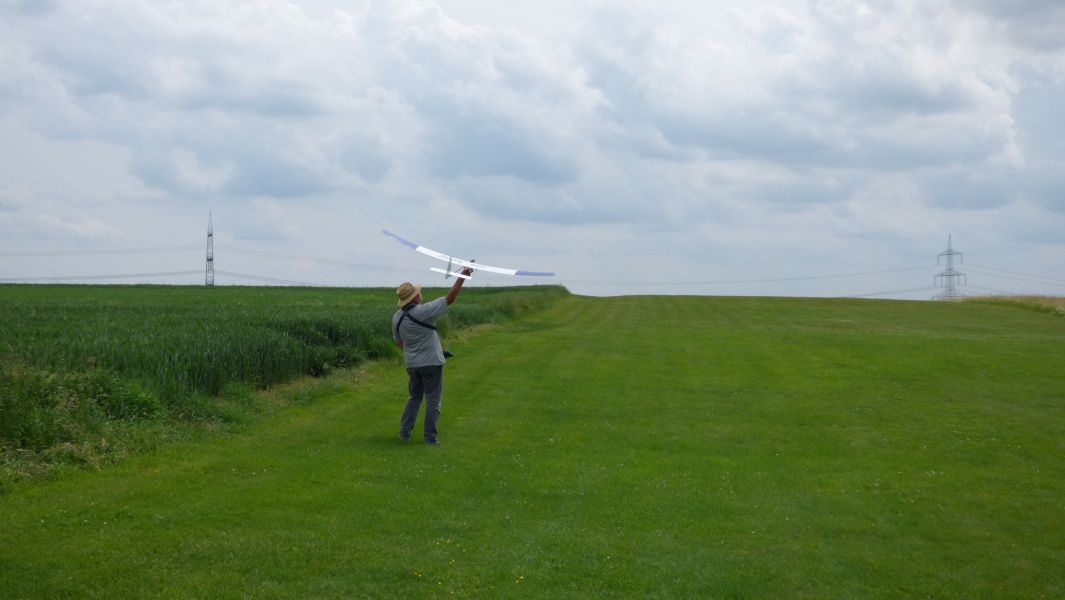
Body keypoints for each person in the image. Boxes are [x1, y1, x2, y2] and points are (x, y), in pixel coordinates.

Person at [391, 266, 473, 445]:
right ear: (416, 297)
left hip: (412, 365)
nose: (420, 295)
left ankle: (404, 433)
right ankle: (430, 437)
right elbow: (449, 299)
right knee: (433, 399)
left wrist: (415, 350)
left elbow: (398, 343)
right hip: (431, 363)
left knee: (414, 398)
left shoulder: (397, 317)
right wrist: (462, 276)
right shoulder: (423, 311)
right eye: (418, 293)